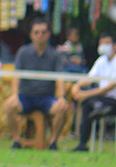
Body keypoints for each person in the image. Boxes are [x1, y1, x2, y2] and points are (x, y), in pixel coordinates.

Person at [4, 16, 69, 150]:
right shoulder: (23, 52)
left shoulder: (55, 55)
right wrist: (15, 95)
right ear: (31, 35)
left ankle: (53, 142)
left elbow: (60, 78)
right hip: (26, 97)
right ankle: (16, 139)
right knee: (9, 106)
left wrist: (62, 97)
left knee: (62, 108)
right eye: (36, 32)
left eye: (43, 32)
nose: (40, 35)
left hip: (46, 98)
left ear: (48, 35)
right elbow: (16, 76)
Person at [70, 32, 116, 152]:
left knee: (88, 101)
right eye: (101, 44)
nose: (103, 46)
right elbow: (90, 78)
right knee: (88, 103)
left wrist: (86, 94)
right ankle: (83, 143)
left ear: (115, 46)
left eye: (106, 43)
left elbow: (109, 88)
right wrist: (77, 85)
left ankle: (100, 111)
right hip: (104, 98)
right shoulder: (101, 61)